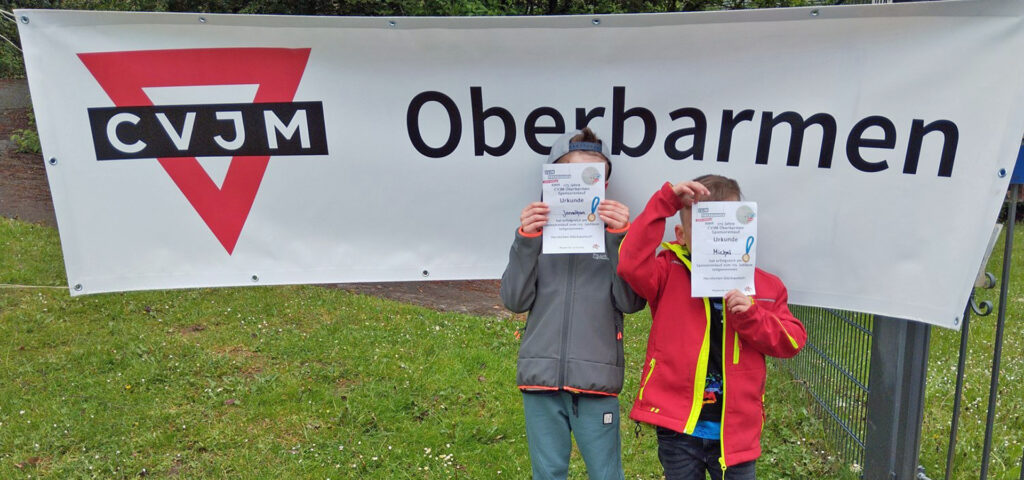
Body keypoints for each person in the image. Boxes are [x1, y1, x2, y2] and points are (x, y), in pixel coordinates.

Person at [616, 175, 807, 480]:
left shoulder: (765, 286)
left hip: (736, 431)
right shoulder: (668, 271)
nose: (718, 238)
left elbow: (792, 341)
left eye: (727, 226)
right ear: (681, 234)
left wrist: (753, 316)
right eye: (705, 228)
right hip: (679, 426)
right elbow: (629, 264)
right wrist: (664, 202)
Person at [500, 128, 646, 480]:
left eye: (592, 178)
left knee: (606, 474)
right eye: (571, 175)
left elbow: (630, 302)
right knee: (547, 474)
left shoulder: (618, 235)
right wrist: (526, 241)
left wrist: (620, 243)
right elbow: (514, 299)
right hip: (540, 380)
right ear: (552, 178)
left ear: (605, 185)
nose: (581, 186)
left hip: (596, 382)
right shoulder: (536, 234)